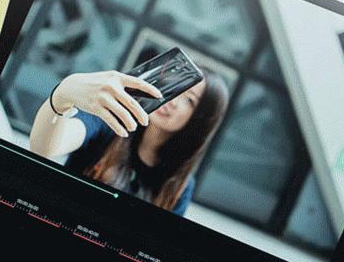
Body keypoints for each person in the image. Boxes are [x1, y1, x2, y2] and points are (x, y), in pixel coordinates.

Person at [29, 67, 228, 215]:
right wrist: (62, 96)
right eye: (177, 86)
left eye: (189, 100)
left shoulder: (180, 185)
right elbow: (45, 147)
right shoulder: (110, 122)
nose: (173, 100)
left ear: (200, 119)